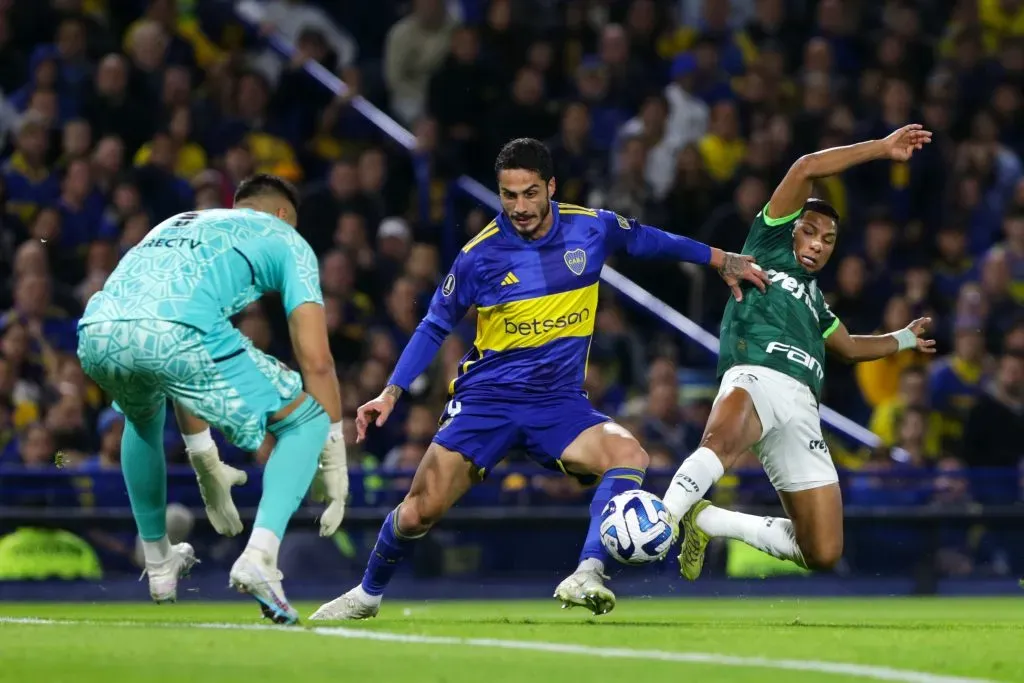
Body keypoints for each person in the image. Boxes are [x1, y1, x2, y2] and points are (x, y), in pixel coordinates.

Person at [310, 137, 769, 620]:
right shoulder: (478, 256)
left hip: (558, 403)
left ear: (551, 187)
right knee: (419, 511)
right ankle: (367, 595)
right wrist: (391, 391)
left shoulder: (591, 228)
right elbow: (435, 324)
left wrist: (721, 259)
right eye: (509, 195)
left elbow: (650, 239)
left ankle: (588, 571)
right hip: (488, 400)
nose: (520, 207)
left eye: (530, 193)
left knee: (628, 453)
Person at [659, 126, 936, 580]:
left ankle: (707, 519)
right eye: (809, 233)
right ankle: (661, 521)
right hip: (756, 375)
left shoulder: (817, 304)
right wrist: (882, 148)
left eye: (827, 241)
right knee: (720, 445)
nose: (816, 245)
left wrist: (903, 338)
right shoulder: (765, 246)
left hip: (804, 411)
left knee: (822, 551)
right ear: (791, 230)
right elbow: (806, 165)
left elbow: (847, 346)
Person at [76, 174, 349, 624]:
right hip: (177, 332)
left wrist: (204, 457)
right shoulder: (285, 237)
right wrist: (333, 454)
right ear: (283, 214)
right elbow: (316, 361)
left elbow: (175, 358)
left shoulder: (176, 224)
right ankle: (260, 556)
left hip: (99, 330)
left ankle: (159, 560)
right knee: (305, 421)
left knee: (142, 418)